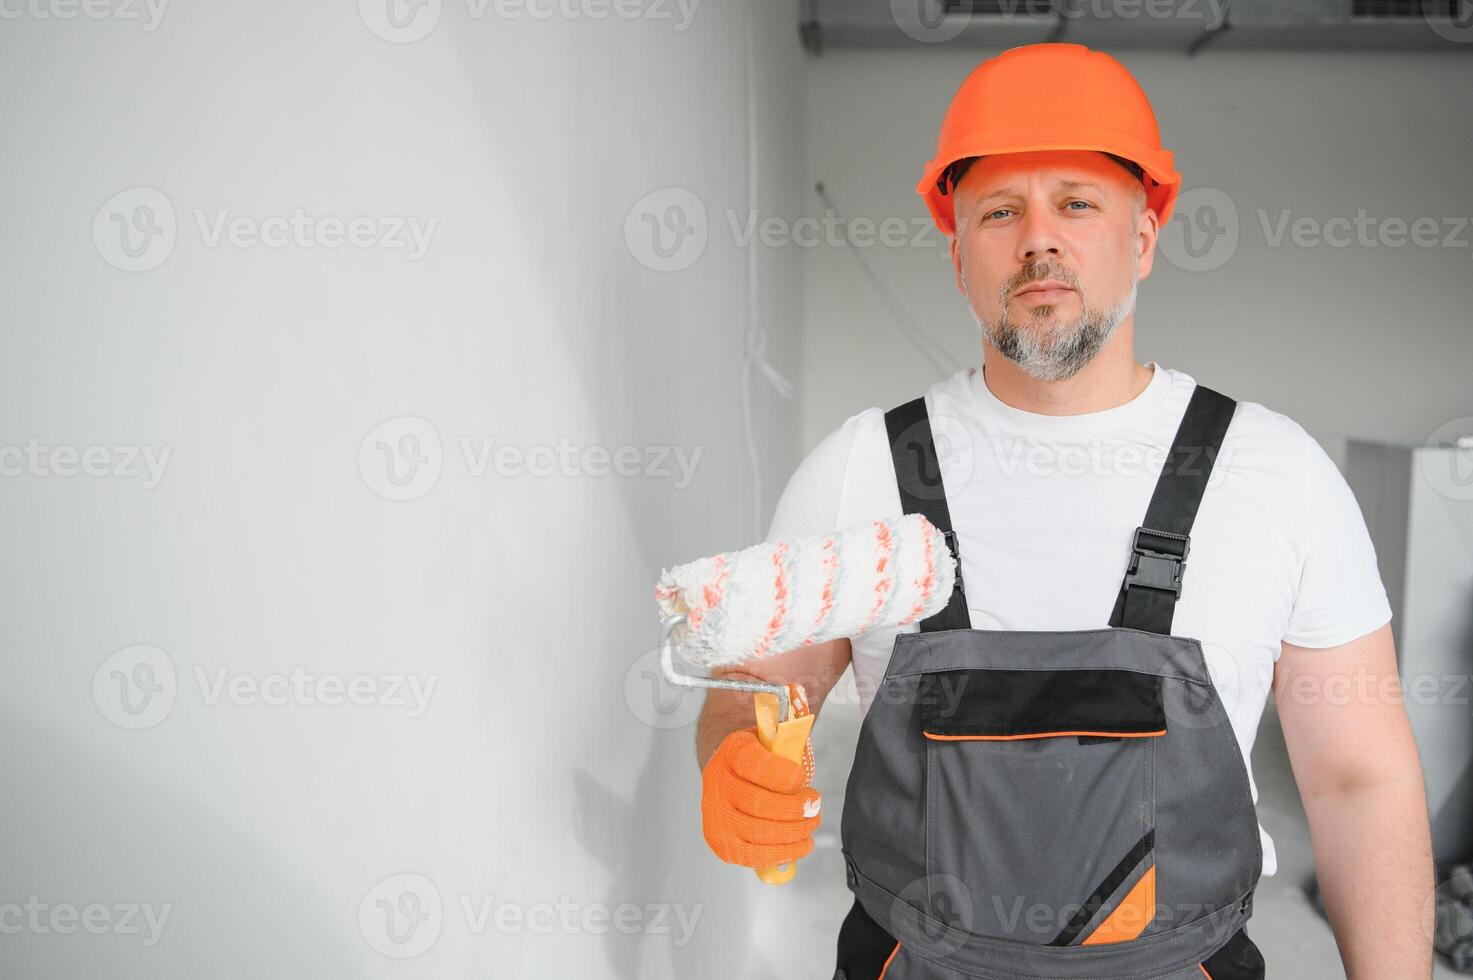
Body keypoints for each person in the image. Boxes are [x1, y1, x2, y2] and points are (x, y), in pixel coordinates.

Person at [693, 43, 1433, 979]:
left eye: (1076, 203)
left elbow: (1359, 781)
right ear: (956, 252)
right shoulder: (858, 473)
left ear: (1144, 237)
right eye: (999, 212)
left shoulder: (1276, 476)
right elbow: (755, 693)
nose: (1037, 238)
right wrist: (729, 758)